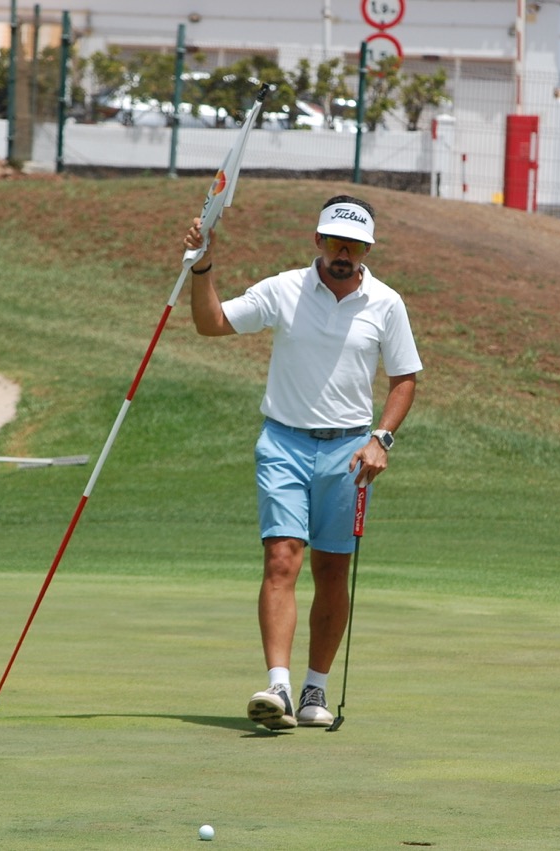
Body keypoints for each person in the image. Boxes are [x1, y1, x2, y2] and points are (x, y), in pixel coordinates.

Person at [183, 195, 423, 730]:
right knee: (282, 558)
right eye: (336, 240)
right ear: (318, 239)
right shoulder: (284, 288)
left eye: (355, 244)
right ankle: (280, 688)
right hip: (284, 442)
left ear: (366, 249)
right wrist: (202, 264)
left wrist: (381, 438)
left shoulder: (386, 303)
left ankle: (315, 689)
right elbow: (213, 323)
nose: (344, 251)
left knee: (332, 568)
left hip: (349, 451)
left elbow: (405, 377)